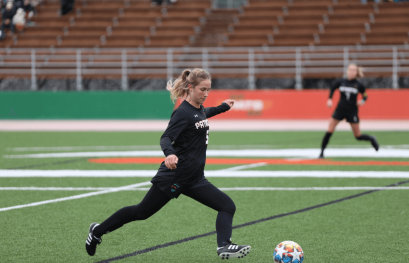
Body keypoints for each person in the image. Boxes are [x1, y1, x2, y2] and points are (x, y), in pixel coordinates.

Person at [85, 68, 251, 260]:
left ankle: (224, 246)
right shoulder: (182, 112)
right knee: (141, 212)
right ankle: (97, 231)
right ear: (190, 87)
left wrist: (223, 107)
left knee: (227, 206)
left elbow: (203, 116)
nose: (205, 94)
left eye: (208, 90)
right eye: (202, 90)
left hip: (194, 178)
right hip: (174, 175)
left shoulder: (199, 109)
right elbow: (166, 138)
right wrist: (170, 154)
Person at [319, 63, 379, 158]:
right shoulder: (341, 82)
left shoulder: (359, 85)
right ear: (347, 71)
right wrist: (329, 99)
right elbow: (333, 88)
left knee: (358, 136)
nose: (351, 72)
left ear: (356, 72)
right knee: (329, 130)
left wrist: (362, 101)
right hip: (340, 110)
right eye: (350, 70)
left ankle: (371, 139)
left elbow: (365, 95)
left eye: (354, 70)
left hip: (352, 111)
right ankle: (321, 153)